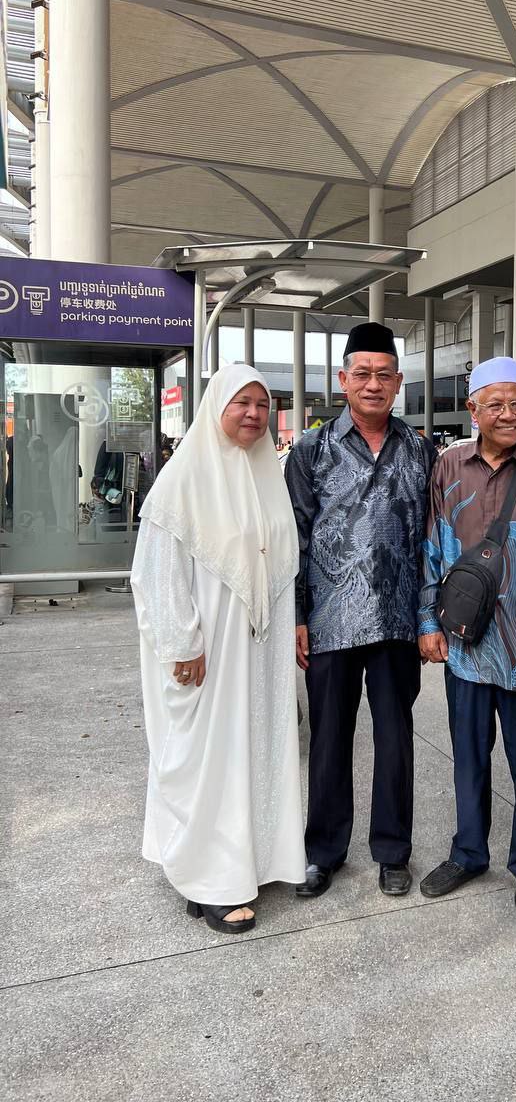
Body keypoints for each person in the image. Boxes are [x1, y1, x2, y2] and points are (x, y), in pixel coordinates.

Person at [131, 364, 304, 935]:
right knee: (205, 760)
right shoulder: (183, 479)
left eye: (262, 404)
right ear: (215, 408)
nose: (253, 414)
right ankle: (209, 881)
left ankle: (246, 864)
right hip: (207, 651)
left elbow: (278, 561)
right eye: (241, 403)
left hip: (257, 651)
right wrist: (181, 641)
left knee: (249, 752)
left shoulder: (266, 474)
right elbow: (156, 572)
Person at [285, 322, 436, 899]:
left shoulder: (421, 450)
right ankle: (323, 851)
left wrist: (428, 617)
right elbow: (296, 537)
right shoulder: (312, 449)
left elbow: (433, 541)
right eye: (363, 374)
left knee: (395, 739)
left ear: (398, 382)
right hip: (330, 621)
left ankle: (393, 851)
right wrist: (298, 616)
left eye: (384, 375)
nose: (373, 384)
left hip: (398, 620)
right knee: (329, 740)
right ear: (343, 379)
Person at [418, 356, 516, 920]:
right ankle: (468, 852)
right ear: (473, 409)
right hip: (466, 644)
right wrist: (427, 622)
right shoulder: (448, 465)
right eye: (496, 405)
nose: (509, 415)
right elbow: (432, 545)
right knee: (468, 755)